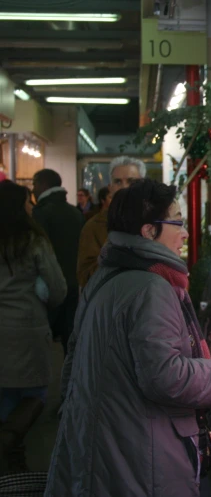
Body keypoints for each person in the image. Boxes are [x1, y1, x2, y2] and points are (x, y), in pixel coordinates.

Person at [47, 179, 211, 496]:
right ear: (148, 231)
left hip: (102, 445)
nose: (185, 233)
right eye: (178, 223)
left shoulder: (106, 276)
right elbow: (164, 375)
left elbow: (72, 361)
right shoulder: (150, 287)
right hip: (140, 454)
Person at [0, 181, 67, 474]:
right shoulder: (33, 240)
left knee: (4, 395)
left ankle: (10, 449)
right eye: (28, 201)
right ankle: (11, 446)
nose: (31, 205)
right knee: (35, 393)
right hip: (27, 327)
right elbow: (58, 288)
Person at [32, 169, 84, 353]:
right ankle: (73, 379)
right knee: (71, 342)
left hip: (49, 286)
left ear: (43, 184)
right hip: (73, 282)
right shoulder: (75, 213)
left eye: (34, 184)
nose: (33, 189)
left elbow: (37, 252)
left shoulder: (41, 214)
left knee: (40, 342)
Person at [76, 156, 145, 289]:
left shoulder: (156, 221)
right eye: (118, 181)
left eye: (131, 181)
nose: (124, 187)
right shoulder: (94, 226)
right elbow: (85, 276)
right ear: (110, 188)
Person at [76, 186, 113, 288]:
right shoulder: (93, 224)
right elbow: (85, 273)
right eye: (111, 197)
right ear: (103, 200)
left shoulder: (147, 224)